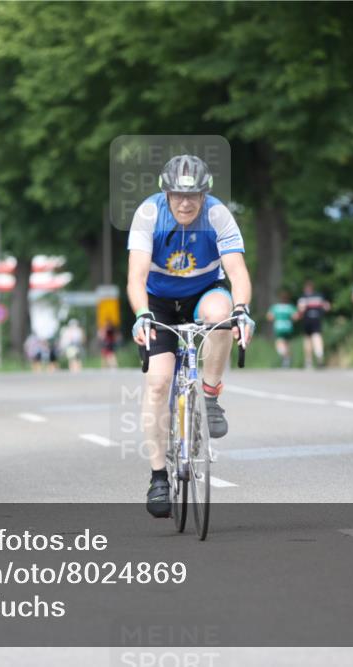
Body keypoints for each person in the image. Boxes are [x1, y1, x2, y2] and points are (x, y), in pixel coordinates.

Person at [127, 154, 254, 518]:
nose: (185, 203)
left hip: (203, 292)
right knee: (158, 383)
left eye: (193, 195)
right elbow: (136, 276)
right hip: (159, 301)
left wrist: (242, 308)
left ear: (204, 194)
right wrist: (142, 314)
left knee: (222, 316)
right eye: (178, 195)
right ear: (165, 193)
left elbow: (237, 272)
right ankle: (158, 477)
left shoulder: (218, 215)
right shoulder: (148, 214)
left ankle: (210, 395)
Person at [296, 280, 331, 368]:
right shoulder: (319, 296)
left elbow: (300, 310)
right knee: (317, 338)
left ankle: (309, 361)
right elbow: (327, 307)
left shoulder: (303, 297)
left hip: (307, 320)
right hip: (317, 319)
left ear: (305, 288)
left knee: (308, 340)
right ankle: (319, 357)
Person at [266, 290, 296, 368]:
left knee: (279, 343)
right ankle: (287, 358)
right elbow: (295, 317)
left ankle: (285, 357)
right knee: (287, 344)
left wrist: (276, 318)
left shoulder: (276, 307)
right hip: (288, 327)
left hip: (279, 327)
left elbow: (269, 317)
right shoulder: (290, 307)